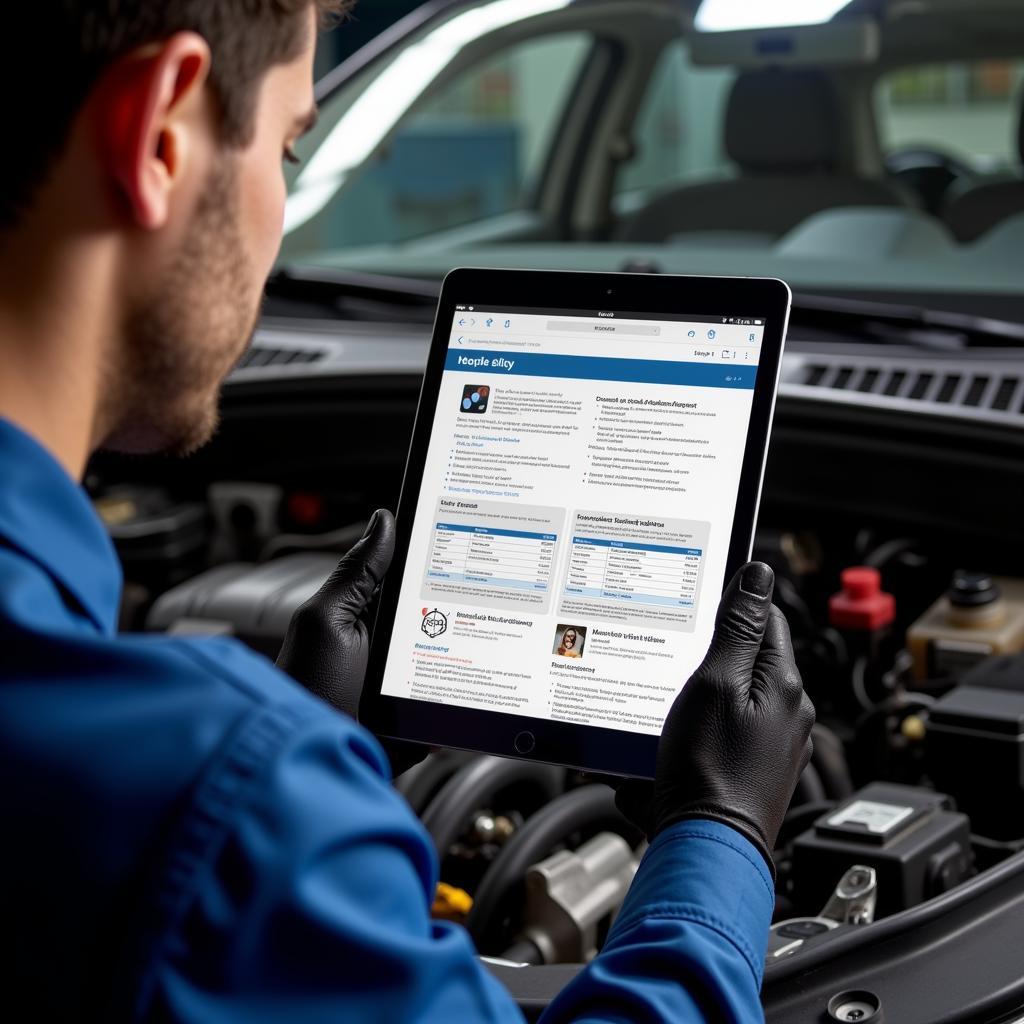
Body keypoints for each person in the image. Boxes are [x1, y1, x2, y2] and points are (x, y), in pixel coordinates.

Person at [0, 2, 816, 1021]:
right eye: (291, 147)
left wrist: (306, 752)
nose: (280, 211)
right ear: (159, 133)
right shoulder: (213, 804)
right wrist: (720, 834)